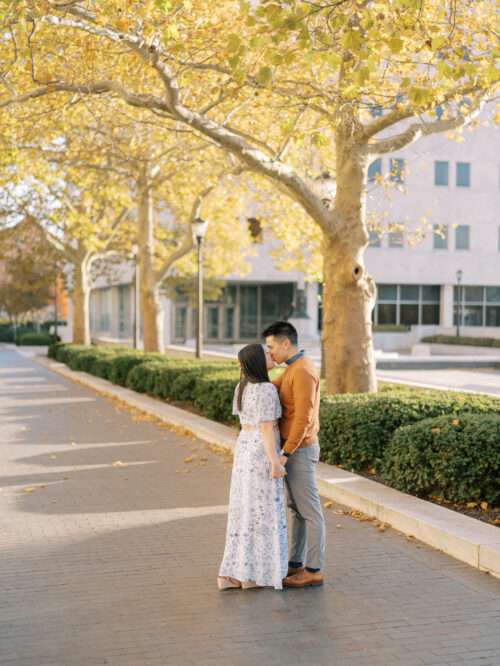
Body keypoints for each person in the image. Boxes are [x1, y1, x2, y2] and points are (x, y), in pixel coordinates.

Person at [217, 343, 288, 591]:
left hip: (245, 448)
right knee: (262, 510)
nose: (271, 355)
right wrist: (275, 462)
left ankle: (235, 572)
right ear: (258, 360)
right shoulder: (266, 389)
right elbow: (267, 428)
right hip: (260, 452)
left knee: (244, 510)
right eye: (267, 354)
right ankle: (254, 574)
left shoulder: (243, 387)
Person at [263, 321, 326, 588]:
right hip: (292, 448)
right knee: (297, 510)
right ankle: (296, 564)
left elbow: (303, 418)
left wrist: (286, 454)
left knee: (310, 512)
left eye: (271, 347)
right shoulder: (291, 369)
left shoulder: (303, 371)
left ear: (285, 343)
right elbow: (269, 387)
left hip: (299, 449)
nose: (271, 353)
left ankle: (313, 570)